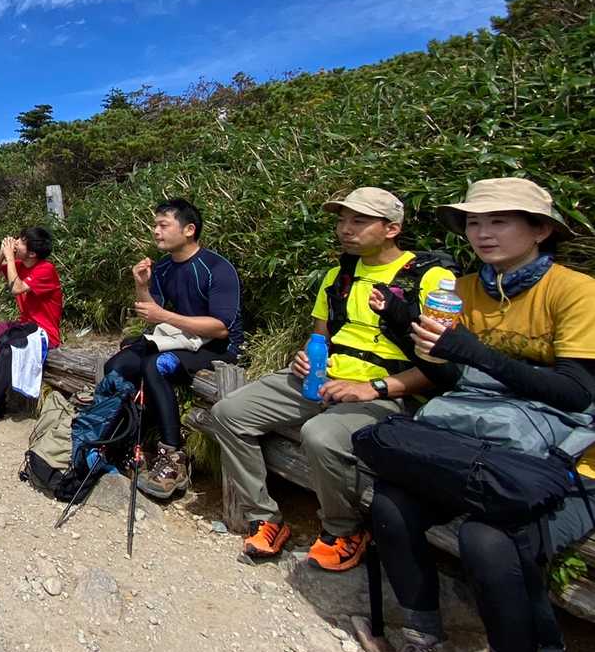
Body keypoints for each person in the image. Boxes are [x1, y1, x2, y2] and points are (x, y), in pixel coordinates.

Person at [370, 178, 595, 652]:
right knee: (392, 503)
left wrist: (476, 353)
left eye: (499, 221)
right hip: (485, 444)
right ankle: (428, 651)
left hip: (566, 460)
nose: (482, 233)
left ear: (540, 231)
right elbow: (452, 379)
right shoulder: (466, 289)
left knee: (488, 537)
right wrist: (405, 330)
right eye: (474, 222)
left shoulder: (575, 292)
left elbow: (579, 393)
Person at [208, 187, 447, 571]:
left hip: (387, 392)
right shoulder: (339, 276)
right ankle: (264, 517)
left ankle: (344, 530)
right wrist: (304, 357)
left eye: (359, 221)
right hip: (325, 378)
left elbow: (440, 369)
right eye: (342, 220)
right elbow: (320, 336)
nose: (345, 229)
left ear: (392, 229)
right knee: (228, 412)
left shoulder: (430, 279)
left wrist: (369, 388)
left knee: (319, 436)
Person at [103, 198, 242, 500]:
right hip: (181, 339)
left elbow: (221, 327)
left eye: (163, 225)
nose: (156, 231)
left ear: (189, 230)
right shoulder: (165, 267)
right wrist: (142, 286)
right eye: (155, 225)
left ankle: (173, 458)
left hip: (217, 347)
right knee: (117, 365)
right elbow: (152, 313)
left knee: (156, 365)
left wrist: (164, 316)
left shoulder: (216, 268)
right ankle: (131, 438)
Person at [0, 226, 64, 417]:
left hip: (43, 332)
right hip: (23, 325)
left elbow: (16, 288)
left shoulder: (46, 269)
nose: (16, 242)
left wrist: (9, 258)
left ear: (32, 253)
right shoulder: (20, 264)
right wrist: (2, 253)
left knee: (9, 349)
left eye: (22, 241)